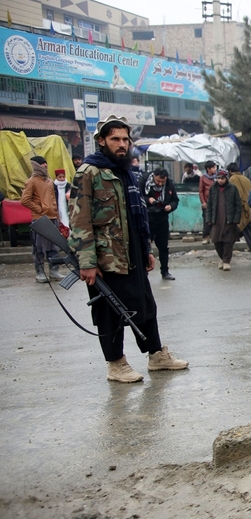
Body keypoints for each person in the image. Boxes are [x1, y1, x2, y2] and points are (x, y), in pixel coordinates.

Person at [68, 115, 188, 382]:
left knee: (145, 304)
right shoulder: (89, 172)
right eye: (115, 139)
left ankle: (156, 355)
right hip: (104, 256)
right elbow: (80, 219)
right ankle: (116, 363)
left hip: (131, 251)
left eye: (125, 139)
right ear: (102, 142)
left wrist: (145, 249)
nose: (122, 144)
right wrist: (87, 262)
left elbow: (136, 216)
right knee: (110, 310)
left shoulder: (127, 172)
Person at [21, 156, 62, 283]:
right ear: (36, 165)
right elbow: (25, 200)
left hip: (53, 218)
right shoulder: (31, 181)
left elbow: (54, 201)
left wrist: (57, 217)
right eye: (42, 163)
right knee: (39, 248)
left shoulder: (50, 181)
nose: (45, 165)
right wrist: (40, 210)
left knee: (54, 247)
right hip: (40, 219)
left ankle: (54, 271)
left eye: (46, 162)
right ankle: (40, 273)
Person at [143, 168, 180, 280]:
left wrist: (171, 206)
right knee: (145, 246)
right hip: (147, 219)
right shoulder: (144, 182)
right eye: (158, 181)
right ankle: (144, 272)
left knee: (163, 247)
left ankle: (165, 271)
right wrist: (148, 199)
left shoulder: (169, 184)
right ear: (154, 176)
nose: (160, 184)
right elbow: (137, 197)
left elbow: (175, 200)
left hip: (162, 218)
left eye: (162, 182)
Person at [206, 169, 242, 271]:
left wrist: (236, 219)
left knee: (228, 242)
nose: (220, 181)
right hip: (216, 220)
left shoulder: (233, 189)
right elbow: (209, 205)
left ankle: (226, 261)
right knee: (217, 241)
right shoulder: (213, 189)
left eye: (222, 178)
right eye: (218, 178)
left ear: (226, 178)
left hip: (229, 219)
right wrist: (209, 219)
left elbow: (238, 205)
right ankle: (222, 258)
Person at [227, 162, 251, 259]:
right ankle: (227, 252)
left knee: (244, 230)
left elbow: (237, 194)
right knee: (244, 230)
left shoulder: (233, 179)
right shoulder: (245, 178)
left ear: (230, 171)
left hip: (241, 209)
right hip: (249, 208)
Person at [198, 161, 217, 244]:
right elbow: (201, 191)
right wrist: (203, 202)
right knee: (207, 220)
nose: (215, 169)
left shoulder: (217, 178)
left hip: (216, 202)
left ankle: (215, 236)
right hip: (207, 202)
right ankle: (206, 237)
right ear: (208, 169)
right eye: (213, 168)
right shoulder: (203, 178)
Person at [52, 168, 73, 236]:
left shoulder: (68, 186)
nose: (62, 178)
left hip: (66, 207)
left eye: (63, 176)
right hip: (58, 207)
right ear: (56, 177)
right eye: (60, 177)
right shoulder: (53, 186)